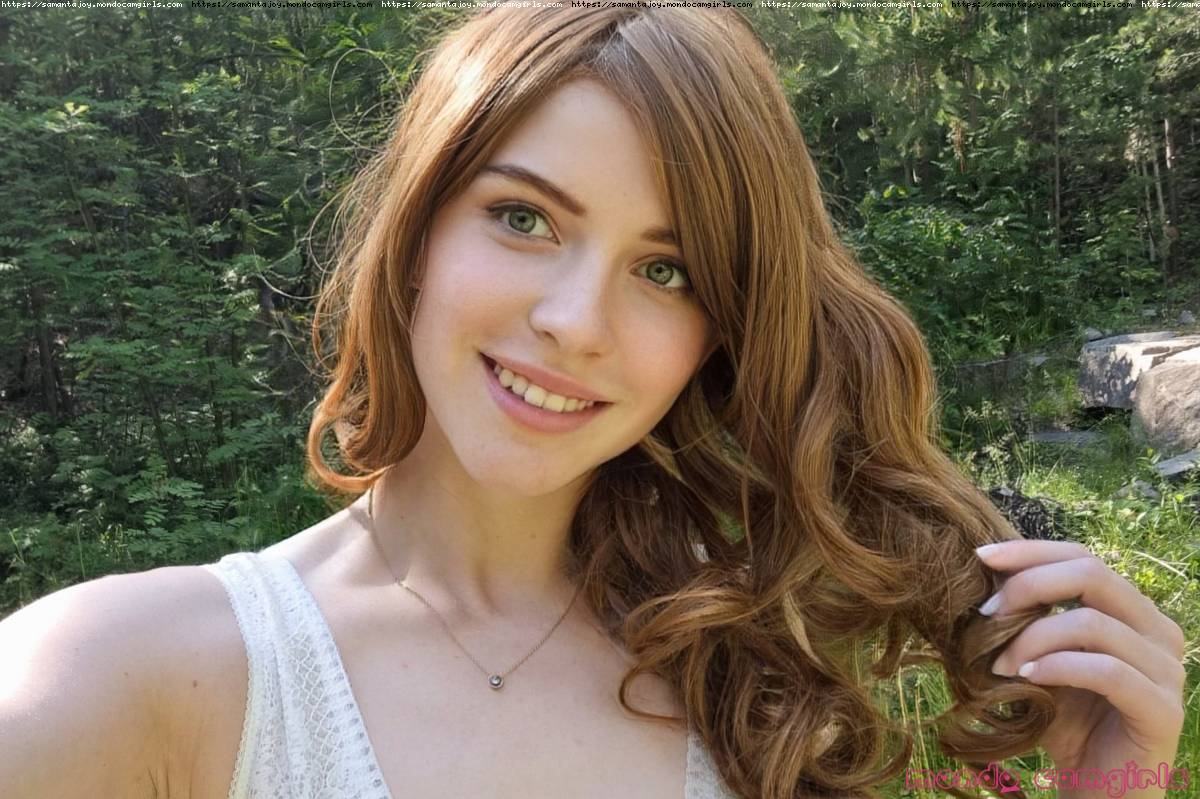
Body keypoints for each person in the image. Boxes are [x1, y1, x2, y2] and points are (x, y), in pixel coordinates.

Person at [0, 7, 1187, 799]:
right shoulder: (119, 678)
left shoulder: (760, 684)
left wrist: (1112, 789)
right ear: (415, 236)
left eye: (667, 271)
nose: (577, 321)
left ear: (719, 333)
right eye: (523, 218)